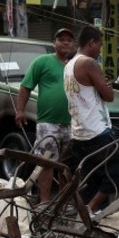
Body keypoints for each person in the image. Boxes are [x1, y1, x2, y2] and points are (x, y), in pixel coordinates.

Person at [64, 26, 119, 214]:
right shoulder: (89, 63)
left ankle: (85, 211)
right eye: (99, 45)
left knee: (94, 178)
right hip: (96, 131)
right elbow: (109, 96)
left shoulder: (69, 65)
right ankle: (90, 209)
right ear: (91, 43)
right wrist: (106, 85)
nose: (100, 50)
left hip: (79, 132)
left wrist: (101, 85)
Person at [16, 28, 75, 203]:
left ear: (73, 44)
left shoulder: (76, 65)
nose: (65, 43)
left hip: (72, 123)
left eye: (69, 40)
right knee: (46, 163)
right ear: (54, 43)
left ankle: (63, 202)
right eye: (61, 39)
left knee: (66, 165)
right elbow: (25, 87)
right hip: (47, 123)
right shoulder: (42, 61)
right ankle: (45, 202)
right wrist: (20, 110)